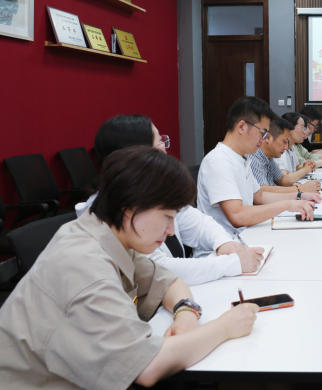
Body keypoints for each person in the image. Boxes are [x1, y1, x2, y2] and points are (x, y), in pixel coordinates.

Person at [0, 146, 260, 390]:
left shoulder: (105, 233)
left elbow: (169, 281)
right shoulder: (86, 266)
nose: (172, 230)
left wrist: (186, 312)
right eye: (167, 216)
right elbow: (148, 368)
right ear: (130, 207)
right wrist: (225, 327)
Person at [75, 114, 266, 286]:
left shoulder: (153, 192)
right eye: (160, 142)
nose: (165, 150)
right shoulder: (111, 213)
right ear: (137, 155)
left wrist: (223, 243)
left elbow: (199, 223)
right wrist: (231, 263)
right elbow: (160, 270)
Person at [197, 97, 319, 243]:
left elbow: (259, 196)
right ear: (242, 127)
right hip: (225, 247)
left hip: (245, 237)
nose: (263, 139)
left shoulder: (242, 158)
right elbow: (237, 215)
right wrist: (287, 205)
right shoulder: (219, 161)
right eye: (263, 133)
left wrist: (299, 196)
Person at [249, 116, 322, 194]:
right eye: (284, 142)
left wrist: (296, 185)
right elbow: (262, 190)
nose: (286, 147)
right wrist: (299, 189)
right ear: (268, 138)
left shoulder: (269, 157)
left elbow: (281, 178)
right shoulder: (254, 157)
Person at [275, 112, 317, 179]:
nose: (305, 132)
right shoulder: (281, 149)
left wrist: (307, 166)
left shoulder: (292, 146)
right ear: (290, 128)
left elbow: (296, 167)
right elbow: (284, 178)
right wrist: (305, 170)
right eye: (302, 128)